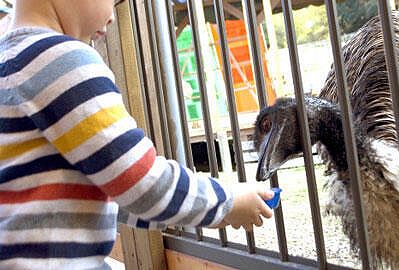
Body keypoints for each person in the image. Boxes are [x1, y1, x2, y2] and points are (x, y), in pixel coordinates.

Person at [0, 0, 274, 269]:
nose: (111, 16)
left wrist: (203, 212)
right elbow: (142, 182)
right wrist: (226, 202)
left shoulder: (10, 61)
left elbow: (104, 192)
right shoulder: (62, 60)